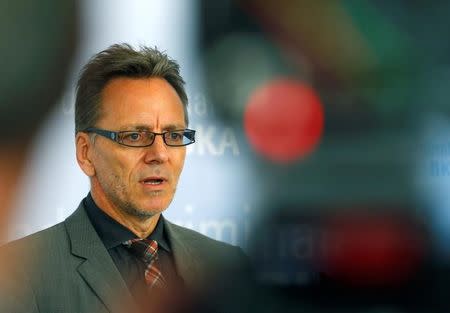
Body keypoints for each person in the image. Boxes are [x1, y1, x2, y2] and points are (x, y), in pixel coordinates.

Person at [1, 44, 249, 313]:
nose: (159, 154)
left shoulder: (229, 266)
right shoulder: (22, 272)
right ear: (86, 153)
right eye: (134, 136)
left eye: (174, 136)